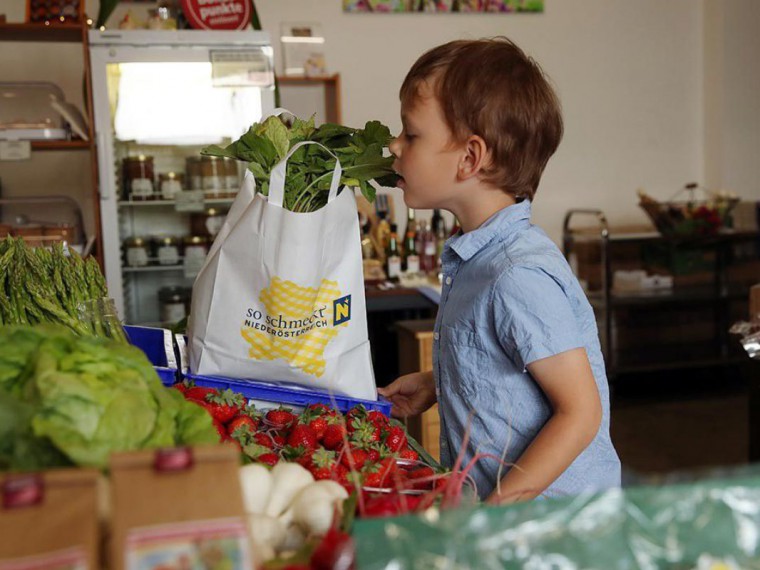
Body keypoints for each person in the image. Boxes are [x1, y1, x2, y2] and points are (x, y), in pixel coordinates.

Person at [379, 37, 621, 502]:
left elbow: (580, 412)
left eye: (411, 135)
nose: (394, 145)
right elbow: (510, 367)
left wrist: (495, 515)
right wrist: (439, 382)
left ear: (470, 158)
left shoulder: (516, 276)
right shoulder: (478, 260)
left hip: (550, 530)